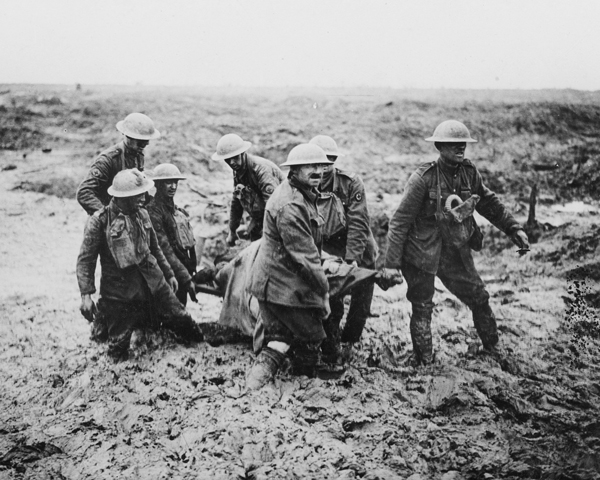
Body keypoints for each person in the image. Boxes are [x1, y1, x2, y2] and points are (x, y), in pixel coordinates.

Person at [385, 120, 530, 366]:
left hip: (455, 251)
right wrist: (391, 264)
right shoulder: (423, 178)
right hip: (422, 252)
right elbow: (399, 222)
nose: (460, 148)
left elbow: (488, 203)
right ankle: (424, 360)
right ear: (440, 147)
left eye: (463, 144)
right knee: (422, 305)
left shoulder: (469, 173)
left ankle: (493, 347)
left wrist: (513, 228)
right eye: (453, 144)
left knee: (479, 296)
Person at [76, 168, 203, 361]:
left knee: (182, 319)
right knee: (118, 348)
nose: (144, 198)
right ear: (123, 197)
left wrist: (169, 274)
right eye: (138, 195)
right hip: (119, 294)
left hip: (154, 283)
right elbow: (86, 260)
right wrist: (86, 295)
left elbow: (156, 248)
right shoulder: (99, 222)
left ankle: (203, 348)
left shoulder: (143, 214)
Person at [245, 143, 334, 389]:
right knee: (312, 336)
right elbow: (305, 257)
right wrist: (323, 294)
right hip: (279, 285)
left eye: (320, 166)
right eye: (310, 166)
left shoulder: (302, 194)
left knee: (280, 340)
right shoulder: (290, 205)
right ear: (294, 170)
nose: (317, 171)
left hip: (276, 281)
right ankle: (302, 383)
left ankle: (257, 386)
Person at [309, 135, 379, 362]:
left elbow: (359, 222)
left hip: (358, 247)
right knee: (331, 298)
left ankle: (351, 340)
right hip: (328, 246)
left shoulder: (350, 184)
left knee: (361, 301)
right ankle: (331, 344)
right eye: (319, 162)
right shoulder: (305, 184)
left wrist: (352, 259)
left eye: (330, 161)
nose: (324, 167)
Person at [76, 112, 160, 215]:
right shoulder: (108, 160)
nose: (146, 144)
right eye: (140, 140)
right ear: (128, 136)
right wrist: (106, 216)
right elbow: (84, 193)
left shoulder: (138, 155)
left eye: (147, 140)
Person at [211, 133, 285, 244]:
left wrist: (267, 236)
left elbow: (273, 207)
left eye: (235, 157)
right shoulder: (238, 171)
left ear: (243, 153)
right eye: (227, 159)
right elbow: (236, 201)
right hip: (261, 218)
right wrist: (232, 230)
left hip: (281, 218)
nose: (231, 163)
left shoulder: (262, 170)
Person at [147, 163, 198, 306]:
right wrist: (186, 277)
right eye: (168, 182)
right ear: (157, 184)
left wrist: (190, 271)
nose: (173, 186)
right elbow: (164, 248)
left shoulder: (174, 210)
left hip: (180, 271)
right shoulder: (154, 212)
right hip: (166, 274)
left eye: (175, 182)